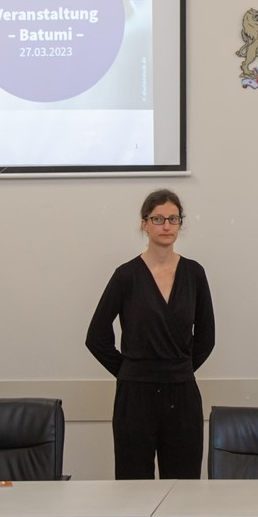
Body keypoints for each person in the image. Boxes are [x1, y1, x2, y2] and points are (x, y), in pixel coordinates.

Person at [85, 190, 215, 479]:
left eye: (173, 219)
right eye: (158, 219)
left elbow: (207, 337)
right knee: (133, 487)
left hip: (182, 395)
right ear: (144, 224)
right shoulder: (126, 275)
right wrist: (131, 371)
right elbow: (96, 337)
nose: (166, 226)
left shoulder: (194, 273)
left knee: (183, 487)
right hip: (135, 397)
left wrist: (178, 369)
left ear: (180, 223)